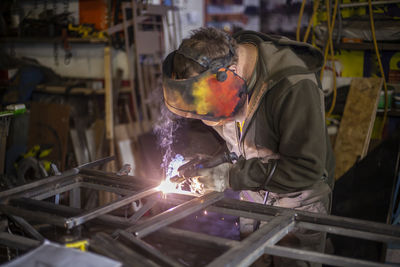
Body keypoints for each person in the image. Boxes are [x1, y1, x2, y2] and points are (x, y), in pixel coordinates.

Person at [162, 27, 335, 266]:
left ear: (229, 74)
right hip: (254, 198)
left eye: (211, 111)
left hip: (296, 201)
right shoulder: (227, 72)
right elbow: (244, 141)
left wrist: (230, 177)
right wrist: (215, 162)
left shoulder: (293, 85)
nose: (213, 122)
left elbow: (305, 169)